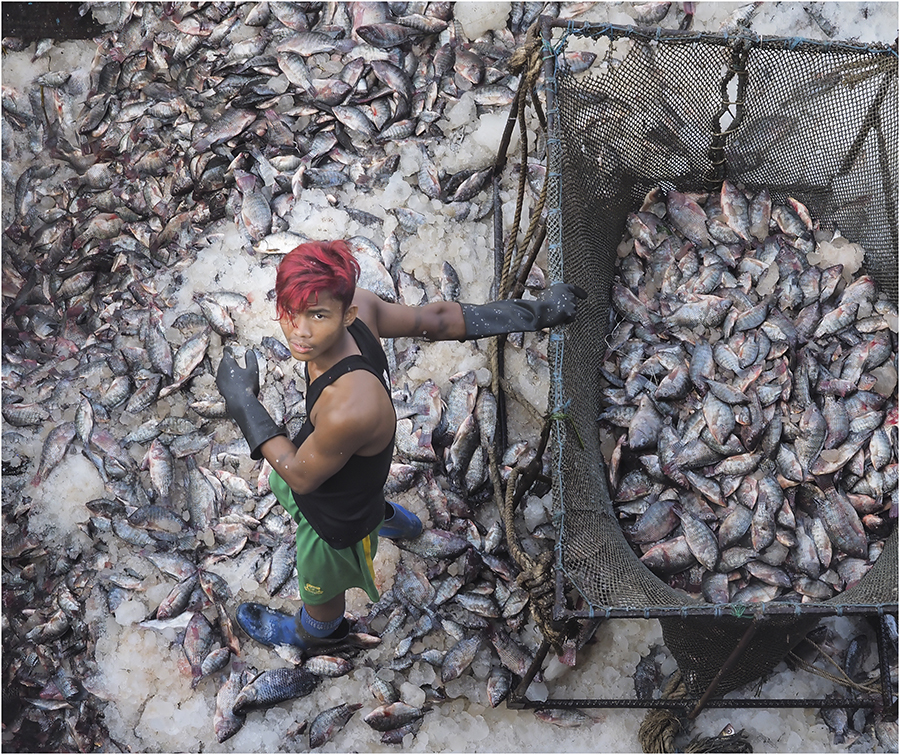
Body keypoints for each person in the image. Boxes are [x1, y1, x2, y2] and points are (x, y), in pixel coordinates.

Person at [215, 240, 585, 652]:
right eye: (290, 311)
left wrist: (244, 404)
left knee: (319, 586)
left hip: (334, 519)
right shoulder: (364, 310)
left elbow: (301, 476)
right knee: (360, 493)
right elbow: (440, 320)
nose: (299, 331)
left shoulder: (349, 406)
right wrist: (536, 312)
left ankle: (318, 634)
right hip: (359, 475)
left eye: (317, 315)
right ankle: (385, 519)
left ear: (346, 312)